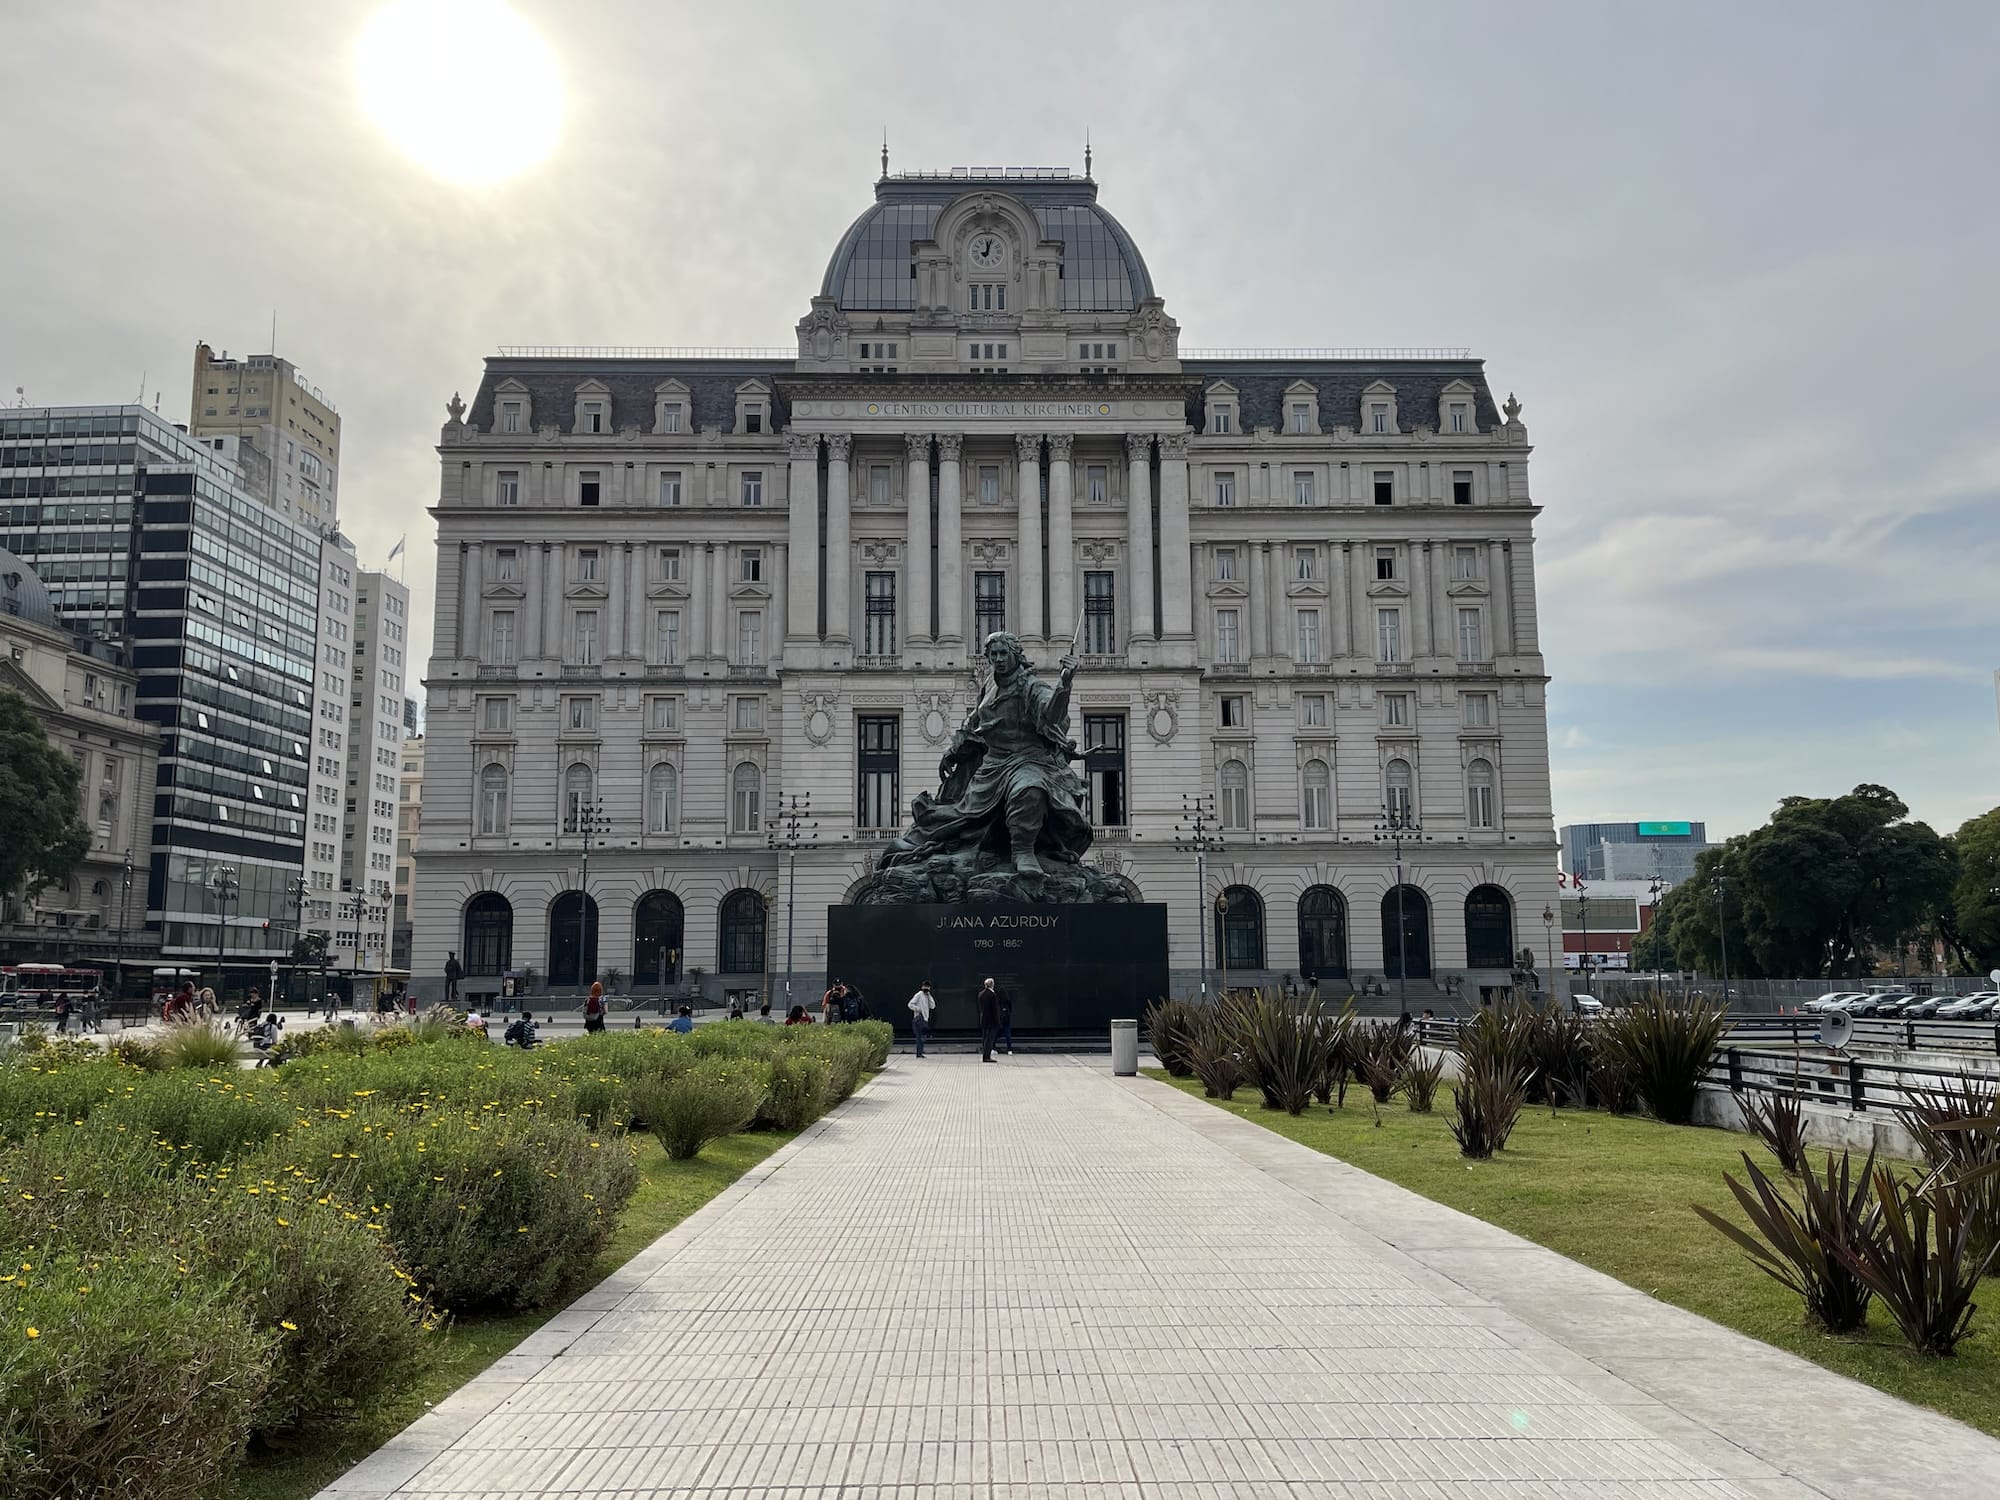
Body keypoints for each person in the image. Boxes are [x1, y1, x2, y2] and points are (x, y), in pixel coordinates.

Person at [907, 981, 935, 1058]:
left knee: (923, 1037)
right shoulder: (919, 995)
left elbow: (932, 1006)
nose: (926, 988)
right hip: (919, 1019)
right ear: (922, 987)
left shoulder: (928, 996)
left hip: (925, 1019)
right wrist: (918, 1009)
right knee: (920, 1037)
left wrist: (929, 996)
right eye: (925, 986)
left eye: (927, 987)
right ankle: (919, 1053)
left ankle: (920, 1053)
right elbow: (910, 1004)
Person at [977, 978, 1001, 1063]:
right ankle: (987, 1056)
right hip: (992, 1021)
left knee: (985, 1039)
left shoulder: (981, 994)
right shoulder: (992, 994)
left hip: (984, 1020)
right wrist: (998, 1021)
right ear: (992, 984)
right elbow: (995, 1009)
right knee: (990, 1039)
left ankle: (985, 1055)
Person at [995, 979, 1013, 1054]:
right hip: (1006, 1018)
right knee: (1007, 1034)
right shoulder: (1007, 999)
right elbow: (1011, 1008)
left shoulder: (997, 1000)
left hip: (999, 1018)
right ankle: (1009, 1050)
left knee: (996, 1033)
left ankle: (993, 1047)